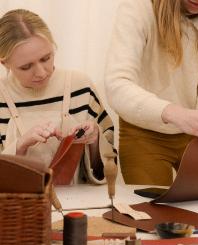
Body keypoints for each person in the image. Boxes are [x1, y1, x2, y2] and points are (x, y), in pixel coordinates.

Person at [105, 0, 198, 185]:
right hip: (143, 131)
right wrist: (174, 113)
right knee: (152, 212)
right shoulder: (138, 7)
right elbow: (117, 84)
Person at [0, 9, 117, 187]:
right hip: (19, 211)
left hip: (80, 208)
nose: (41, 72)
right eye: (26, 67)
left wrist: (94, 140)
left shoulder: (81, 86)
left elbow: (110, 165)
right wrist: (20, 145)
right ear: (4, 62)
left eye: (46, 58)